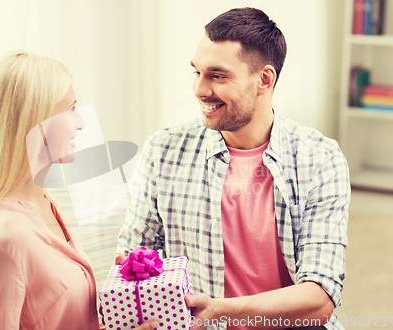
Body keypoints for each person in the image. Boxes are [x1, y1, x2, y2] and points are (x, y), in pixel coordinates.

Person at [116, 7, 349, 330]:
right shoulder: (164, 150)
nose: (199, 89)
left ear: (264, 79)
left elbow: (320, 298)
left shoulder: (320, 158)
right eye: (196, 72)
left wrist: (221, 311)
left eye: (217, 75)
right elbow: (133, 256)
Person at [0, 51, 158, 330]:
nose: (81, 123)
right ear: (32, 120)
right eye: (71, 109)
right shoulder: (1, 238)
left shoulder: (45, 204)